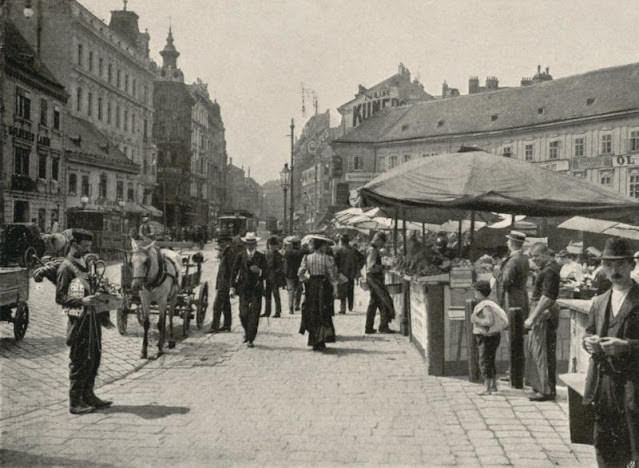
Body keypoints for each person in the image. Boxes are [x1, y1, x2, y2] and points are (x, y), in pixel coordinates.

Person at [582, 237, 639, 468]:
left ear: (631, 266)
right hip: (603, 384)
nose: (613, 270)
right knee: (604, 444)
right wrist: (589, 342)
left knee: (634, 445)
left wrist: (627, 346)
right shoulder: (599, 301)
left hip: (633, 384)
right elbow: (588, 332)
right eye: (608, 265)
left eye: (620, 264)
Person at [55, 229, 112, 414]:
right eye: (85, 246)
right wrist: (81, 301)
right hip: (79, 322)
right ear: (74, 244)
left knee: (94, 358)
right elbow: (60, 297)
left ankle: (89, 395)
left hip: (93, 320)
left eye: (90, 246)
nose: (88, 250)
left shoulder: (85, 264)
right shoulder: (66, 268)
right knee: (79, 360)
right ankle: (75, 402)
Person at [526, 243, 561, 401]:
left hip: (543, 312)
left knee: (543, 351)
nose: (535, 260)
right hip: (540, 310)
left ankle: (546, 390)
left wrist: (533, 316)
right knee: (537, 350)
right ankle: (540, 386)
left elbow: (547, 297)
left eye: (537, 256)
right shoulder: (547, 269)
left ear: (546, 254)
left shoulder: (550, 271)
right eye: (533, 257)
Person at [298, 236, 338, 351]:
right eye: (324, 245)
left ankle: (314, 339)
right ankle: (322, 339)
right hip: (324, 286)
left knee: (312, 312)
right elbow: (332, 275)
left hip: (312, 287)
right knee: (323, 312)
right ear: (320, 246)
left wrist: (307, 280)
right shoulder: (327, 259)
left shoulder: (307, 257)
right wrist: (335, 288)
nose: (326, 247)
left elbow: (301, 273)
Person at [471, 280, 509, 395]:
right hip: (493, 336)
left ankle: (487, 388)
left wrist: (475, 319)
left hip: (486, 337)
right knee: (490, 361)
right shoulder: (491, 303)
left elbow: (489, 321)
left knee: (484, 361)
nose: (474, 293)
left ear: (479, 292)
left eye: (475, 291)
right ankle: (493, 386)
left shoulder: (485, 306)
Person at [230, 232, 266, 348]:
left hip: (256, 288)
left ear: (256, 244)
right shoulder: (241, 256)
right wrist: (232, 287)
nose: (250, 245)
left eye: (252, 243)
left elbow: (267, 273)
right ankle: (247, 331)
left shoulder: (261, 256)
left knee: (254, 314)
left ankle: (251, 339)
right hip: (243, 288)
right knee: (243, 313)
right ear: (245, 244)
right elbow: (234, 272)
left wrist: (259, 271)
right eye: (248, 243)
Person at [364, 232, 397, 334]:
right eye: (382, 243)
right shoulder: (373, 250)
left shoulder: (372, 249)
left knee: (374, 303)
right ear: (378, 240)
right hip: (374, 279)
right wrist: (384, 267)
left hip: (373, 279)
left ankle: (369, 327)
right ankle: (383, 326)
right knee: (384, 301)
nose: (382, 245)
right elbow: (371, 267)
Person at [498, 230, 530, 317]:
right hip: (522, 294)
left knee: (512, 321)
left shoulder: (513, 260)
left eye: (508, 241)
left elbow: (505, 280)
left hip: (512, 296)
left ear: (511, 243)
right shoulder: (524, 258)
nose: (507, 242)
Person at [207, 235, 234, 333]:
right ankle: (227, 326)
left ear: (227, 242)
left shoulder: (229, 253)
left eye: (221, 243)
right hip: (223, 282)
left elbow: (231, 270)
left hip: (225, 283)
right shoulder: (225, 252)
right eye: (219, 243)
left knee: (217, 305)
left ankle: (215, 327)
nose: (220, 245)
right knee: (226, 304)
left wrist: (230, 285)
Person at [333, 234, 361, 314]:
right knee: (350, 290)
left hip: (342, 274)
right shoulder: (353, 250)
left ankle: (343, 308)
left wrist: (337, 271)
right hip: (351, 273)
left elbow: (335, 262)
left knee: (342, 291)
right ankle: (350, 306)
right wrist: (357, 267)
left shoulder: (338, 250)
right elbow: (362, 258)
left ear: (341, 241)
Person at [262, 236, 283, 318]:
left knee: (276, 294)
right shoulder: (266, 253)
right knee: (267, 295)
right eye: (271, 245)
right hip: (268, 276)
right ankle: (267, 311)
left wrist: (275, 273)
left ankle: (278, 312)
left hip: (274, 277)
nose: (272, 246)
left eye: (273, 245)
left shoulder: (278, 255)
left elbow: (280, 267)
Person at [283, 236, 304, 315]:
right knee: (299, 290)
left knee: (291, 291)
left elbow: (284, 263)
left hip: (289, 274)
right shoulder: (301, 252)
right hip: (299, 273)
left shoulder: (287, 252)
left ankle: (290, 307)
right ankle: (297, 305)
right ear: (298, 244)